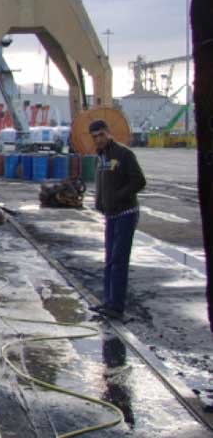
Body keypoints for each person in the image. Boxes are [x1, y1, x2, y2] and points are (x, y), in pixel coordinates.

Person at [88, 119, 145, 320]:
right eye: (95, 137)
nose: (99, 140)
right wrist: (100, 202)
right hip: (111, 215)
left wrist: (119, 196)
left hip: (126, 214)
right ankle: (108, 301)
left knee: (119, 260)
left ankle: (116, 306)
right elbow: (102, 183)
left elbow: (139, 180)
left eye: (101, 135)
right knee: (110, 260)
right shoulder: (100, 157)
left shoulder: (124, 154)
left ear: (108, 133)